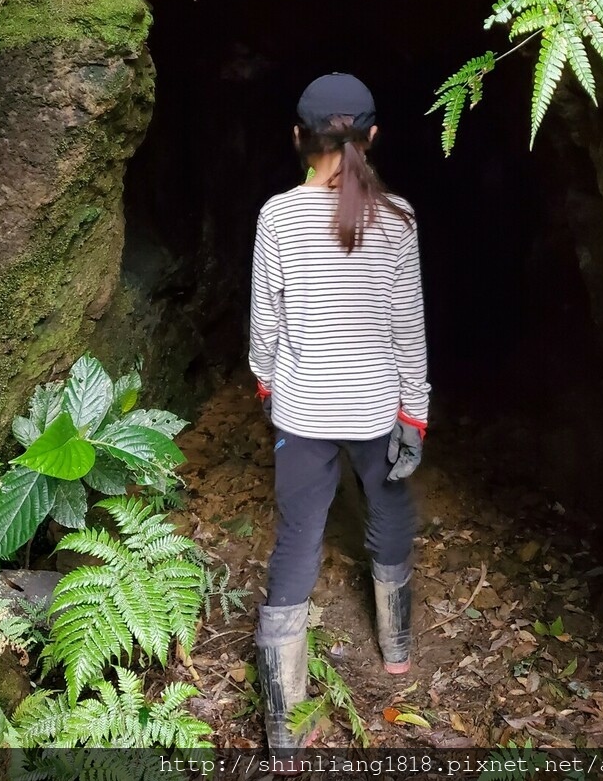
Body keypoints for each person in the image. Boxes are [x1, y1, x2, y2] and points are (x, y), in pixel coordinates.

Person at [249, 72, 430, 753]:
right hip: (375, 406)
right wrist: (415, 412)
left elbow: (266, 325)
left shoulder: (277, 215)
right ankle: (398, 646)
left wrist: (268, 382)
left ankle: (282, 728)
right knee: (387, 510)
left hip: (303, 409)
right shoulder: (400, 218)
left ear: (300, 140)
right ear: (372, 137)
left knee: (297, 538)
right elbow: (407, 328)